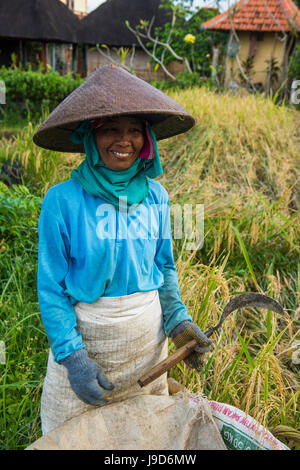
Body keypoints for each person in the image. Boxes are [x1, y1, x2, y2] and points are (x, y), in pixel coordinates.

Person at [34, 65, 211, 435]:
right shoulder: (61, 201)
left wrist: (177, 319)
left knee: (143, 434)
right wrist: (73, 357)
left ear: (146, 138)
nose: (124, 140)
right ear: (89, 135)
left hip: (146, 339)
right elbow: (51, 288)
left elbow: (164, 265)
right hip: (89, 340)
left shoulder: (157, 197)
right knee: (72, 435)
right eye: (111, 128)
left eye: (134, 129)